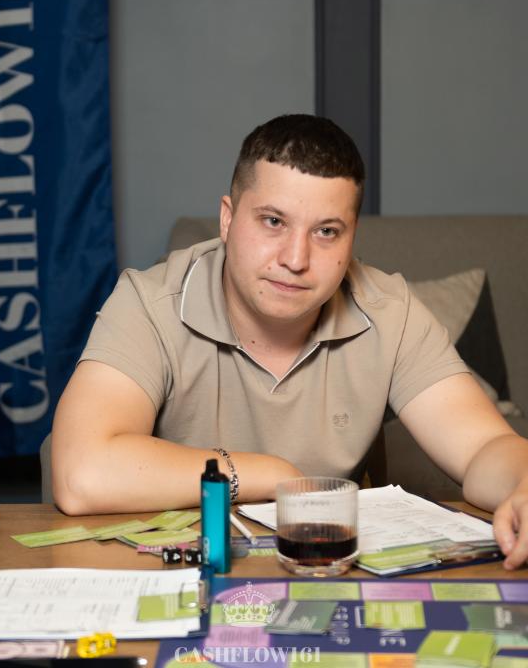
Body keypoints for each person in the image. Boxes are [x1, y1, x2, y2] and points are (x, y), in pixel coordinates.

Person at [52, 114, 528, 569]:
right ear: (227, 218)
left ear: (351, 238)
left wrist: (524, 483)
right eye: (273, 222)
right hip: (182, 572)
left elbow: (486, 447)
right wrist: (273, 475)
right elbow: (82, 474)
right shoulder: (150, 303)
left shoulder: (390, 312)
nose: (296, 259)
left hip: (323, 572)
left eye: (326, 231)